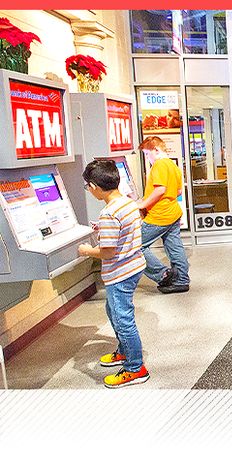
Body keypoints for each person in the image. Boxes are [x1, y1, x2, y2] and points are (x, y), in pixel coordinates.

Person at [78, 158, 149, 387]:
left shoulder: (109, 213)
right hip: (133, 266)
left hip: (120, 273)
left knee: (123, 318)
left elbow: (107, 252)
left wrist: (87, 250)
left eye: (88, 186)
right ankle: (124, 351)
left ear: (96, 187)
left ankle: (135, 368)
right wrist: (103, 230)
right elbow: (123, 231)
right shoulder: (127, 203)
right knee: (113, 310)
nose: (89, 191)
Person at [137, 136, 190, 294]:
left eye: (147, 154)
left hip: (159, 215)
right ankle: (181, 280)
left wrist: (142, 204)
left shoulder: (159, 164)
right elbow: (178, 191)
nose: (148, 158)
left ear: (156, 150)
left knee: (135, 246)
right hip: (173, 212)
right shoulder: (173, 166)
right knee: (175, 247)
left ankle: (163, 274)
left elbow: (160, 190)